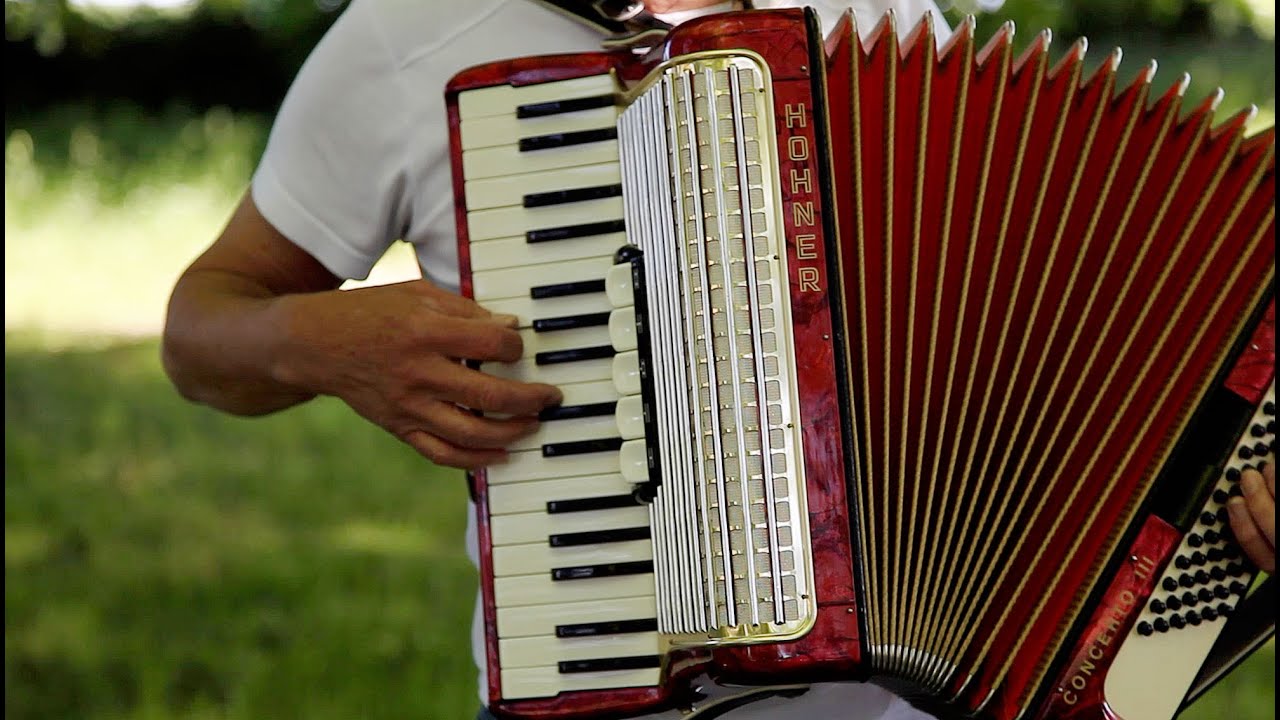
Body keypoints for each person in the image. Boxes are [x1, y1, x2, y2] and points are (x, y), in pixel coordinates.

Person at [160, 0, 1276, 718]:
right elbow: (200, 328)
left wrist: (1242, 477)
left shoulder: (879, 23)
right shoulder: (412, 33)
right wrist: (321, 342)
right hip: (605, 688)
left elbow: (1058, 346)